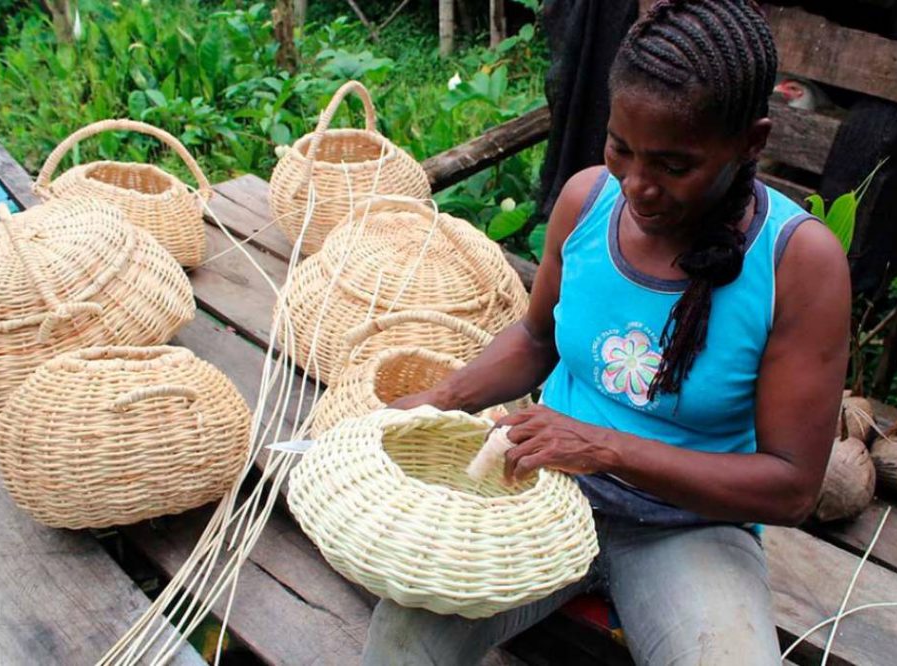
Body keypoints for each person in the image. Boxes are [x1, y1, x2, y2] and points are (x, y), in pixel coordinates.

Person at [363, 1, 850, 663]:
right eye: (622, 148)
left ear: (751, 142)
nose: (638, 187)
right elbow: (536, 339)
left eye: (675, 167)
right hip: (536, 486)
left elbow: (790, 486)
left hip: (688, 528)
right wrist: (442, 400)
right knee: (402, 642)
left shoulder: (798, 263)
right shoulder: (588, 201)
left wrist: (605, 447)